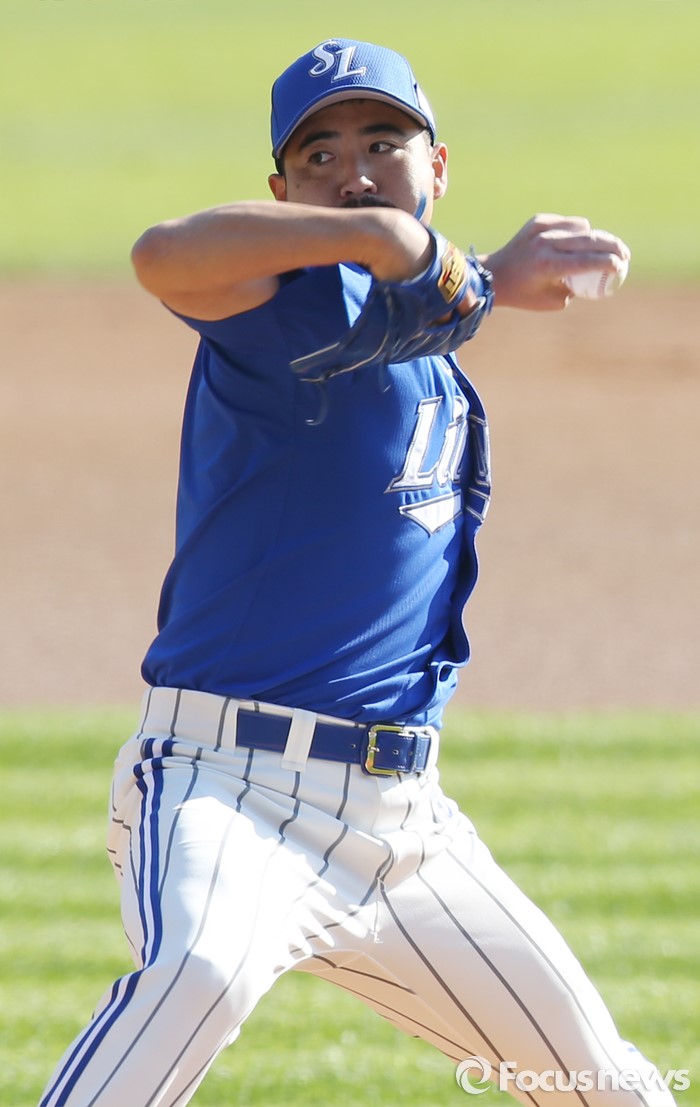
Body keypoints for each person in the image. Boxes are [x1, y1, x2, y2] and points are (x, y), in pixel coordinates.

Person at [40, 38, 668, 1107]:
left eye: (383, 143)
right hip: (225, 788)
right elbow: (159, 254)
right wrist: (377, 236)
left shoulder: (429, 334)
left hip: (404, 831)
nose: (355, 169)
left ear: (439, 166)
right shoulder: (269, 310)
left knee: (607, 1086)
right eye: (320, 156)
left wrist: (476, 276)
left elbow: (415, 311)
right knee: (199, 973)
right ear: (282, 190)